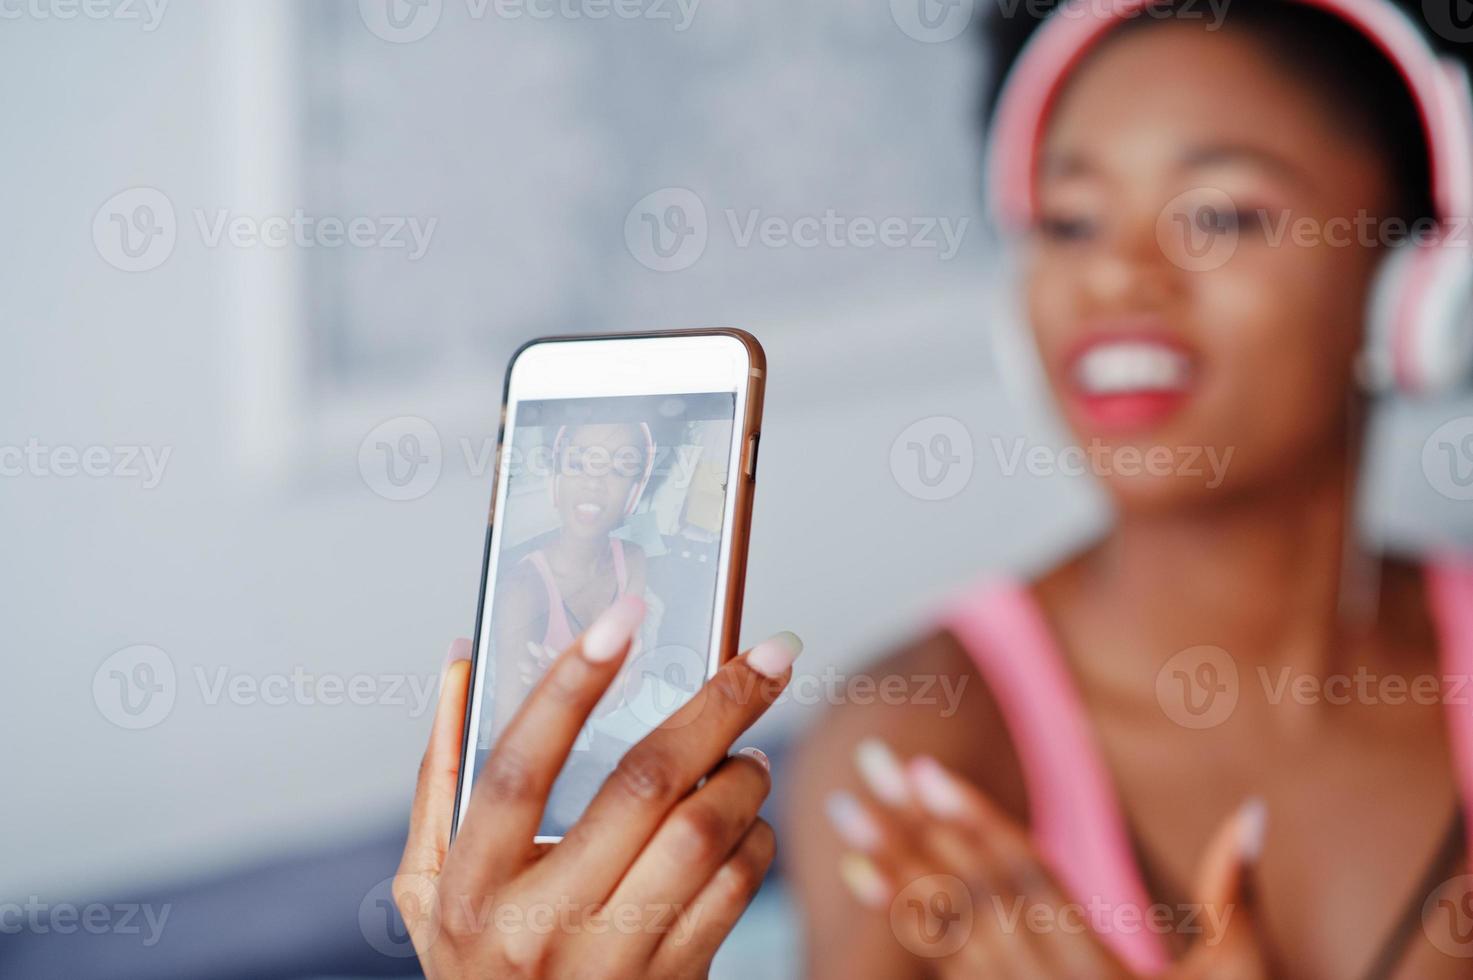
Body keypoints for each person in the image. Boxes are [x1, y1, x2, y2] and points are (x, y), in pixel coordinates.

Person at [785, 2, 1473, 978]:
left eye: (1218, 214)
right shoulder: (919, 740)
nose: (1114, 278)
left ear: (1415, 277)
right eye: (1070, 222)